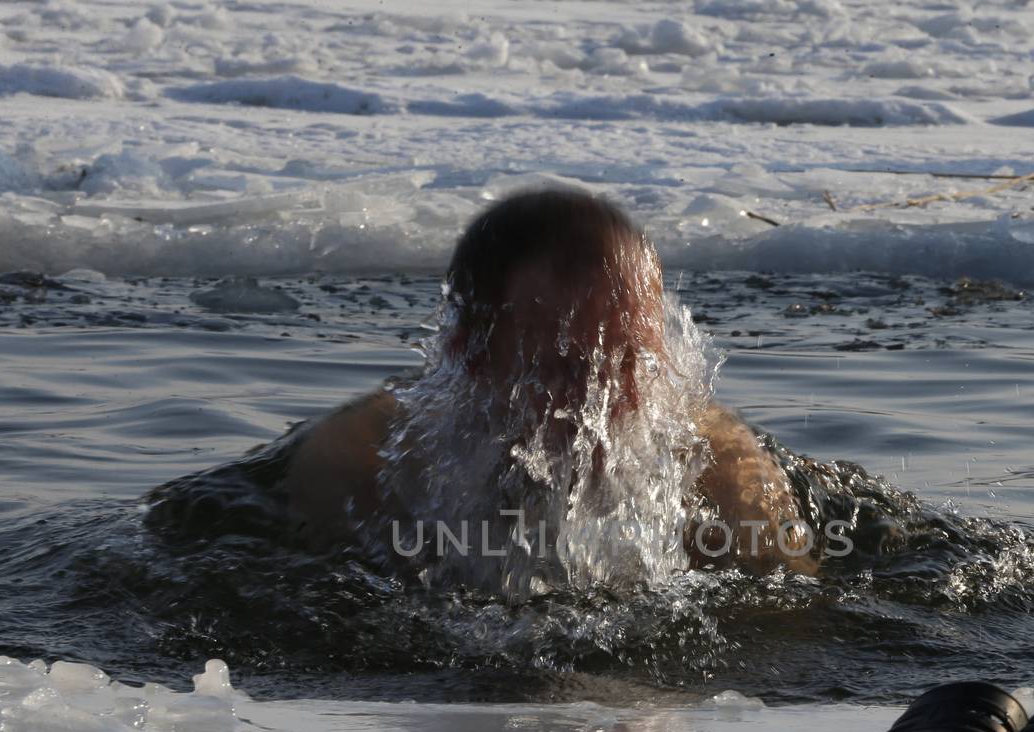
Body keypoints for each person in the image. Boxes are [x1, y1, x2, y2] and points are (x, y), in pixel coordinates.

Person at [284, 187, 818, 578]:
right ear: (468, 355)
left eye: (635, 363)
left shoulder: (719, 467)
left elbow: (793, 623)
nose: (616, 399)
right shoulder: (358, 463)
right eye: (570, 370)